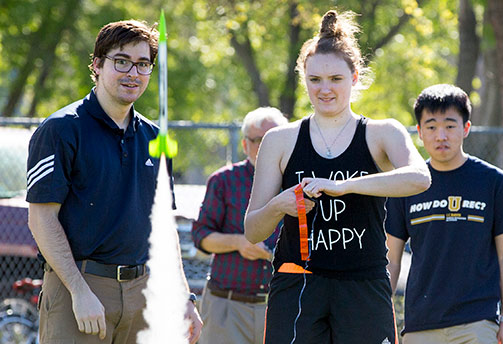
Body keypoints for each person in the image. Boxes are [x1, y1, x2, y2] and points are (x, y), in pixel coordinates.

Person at [243, 10, 431, 344]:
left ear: (355, 77)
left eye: (335, 79)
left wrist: (343, 186)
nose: (325, 89)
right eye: (315, 80)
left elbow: (420, 178)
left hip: (364, 282)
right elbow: (253, 231)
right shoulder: (280, 140)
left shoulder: (381, 132)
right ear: (304, 80)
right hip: (297, 283)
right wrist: (278, 206)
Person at [26, 20, 202, 343]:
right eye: (121, 61)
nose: (133, 73)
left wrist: (184, 296)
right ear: (97, 64)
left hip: (143, 295)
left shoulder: (155, 138)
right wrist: (79, 291)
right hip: (78, 289)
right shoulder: (61, 130)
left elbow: (163, 226)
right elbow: (41, 219)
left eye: (143, 64)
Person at [384, 84, 503, 344]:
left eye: (450, 126)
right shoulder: (407, 184)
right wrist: (380, 315)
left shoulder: (494, 182)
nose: (441, 135)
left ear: (466, 128)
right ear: (419, 132)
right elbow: (391, 260)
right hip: (420, 325)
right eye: (431, 127)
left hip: (477, 323)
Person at [192, 107, 287, 344]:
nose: (264, 146)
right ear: (245, 145)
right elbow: (200, 236)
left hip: (282, 307)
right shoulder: (223, 180)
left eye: (272, 139)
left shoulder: (298, 183)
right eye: (257, 140)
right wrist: (239, 242)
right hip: (228, 306)